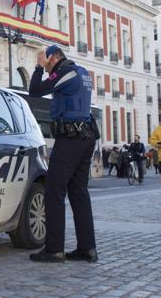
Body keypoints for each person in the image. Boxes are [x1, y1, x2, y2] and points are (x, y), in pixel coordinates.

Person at [28, 45, 98, 263]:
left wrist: (39, 68)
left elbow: (36, 90)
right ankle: (87, 248)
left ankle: (54, 249)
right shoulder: (82, 72)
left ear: (53, 57)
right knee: (78, 192)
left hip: (71, 138)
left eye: (47, 61)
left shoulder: (65, 72)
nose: (47, 68)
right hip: (85, 137)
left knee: (53, 190)